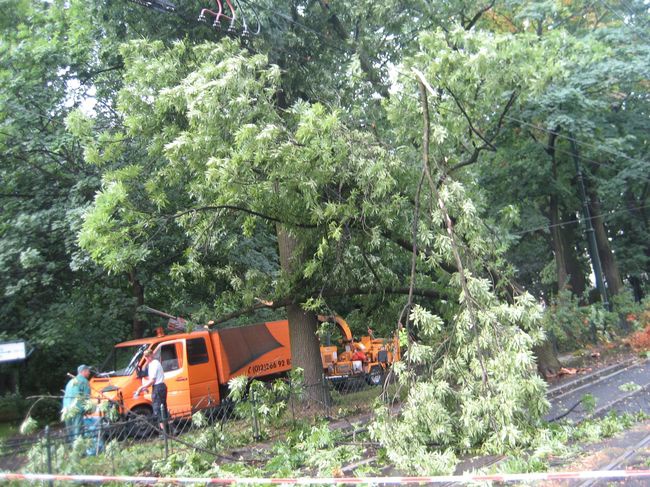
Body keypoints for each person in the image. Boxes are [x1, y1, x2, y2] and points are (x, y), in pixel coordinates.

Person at [135, 350, 168, 433]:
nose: (146, 358)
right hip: (162, 387)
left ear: (150, 356)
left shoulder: (153, 365)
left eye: (147, 357)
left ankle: (164, 433)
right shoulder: (155, 363)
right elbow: (145, 373)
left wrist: (140, 388)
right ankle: (171, 429)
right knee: (163, 408)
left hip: (158, 388)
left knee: (157, 410)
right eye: (145, 357)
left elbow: (152, 381)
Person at [61, 365, 91, 440]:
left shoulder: (70, 381)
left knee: (70, 430)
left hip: (66, 409)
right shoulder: (84, 382)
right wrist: (87, 409)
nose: (89, 373)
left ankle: (71, 447)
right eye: (88, 371)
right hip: (77, 408)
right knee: (78, 430)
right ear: (83, 371)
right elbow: (86, 397)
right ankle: (78, 448)